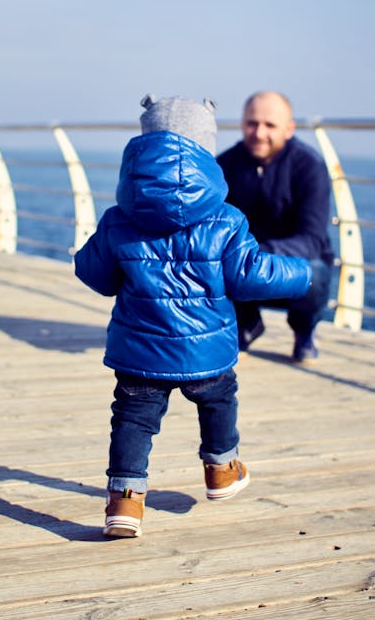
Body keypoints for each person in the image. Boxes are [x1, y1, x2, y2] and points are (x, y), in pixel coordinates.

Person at [74, 94, 312, 538]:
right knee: (219, 399)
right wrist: (301, 274)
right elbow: (250, 276)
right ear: (205, 149)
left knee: (132, 420)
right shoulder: (226, 219)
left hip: (139, 350)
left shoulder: (118, 220)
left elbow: (97, 275)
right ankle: (221, 469)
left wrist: (88, 259)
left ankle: (125, 502)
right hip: (207, 348)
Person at [217, 91, 334, 363]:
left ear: (289, 129)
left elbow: (312, 240)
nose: (258, 132)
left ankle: (304, 330)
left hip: (290, 266)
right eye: (252, 123)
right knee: (210, 255)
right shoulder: (224, 165)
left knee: (315, 270)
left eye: (270, 125)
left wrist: (258, 252)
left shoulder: (310, 166)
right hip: (245, 267)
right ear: (242, 123)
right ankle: (246, 323)